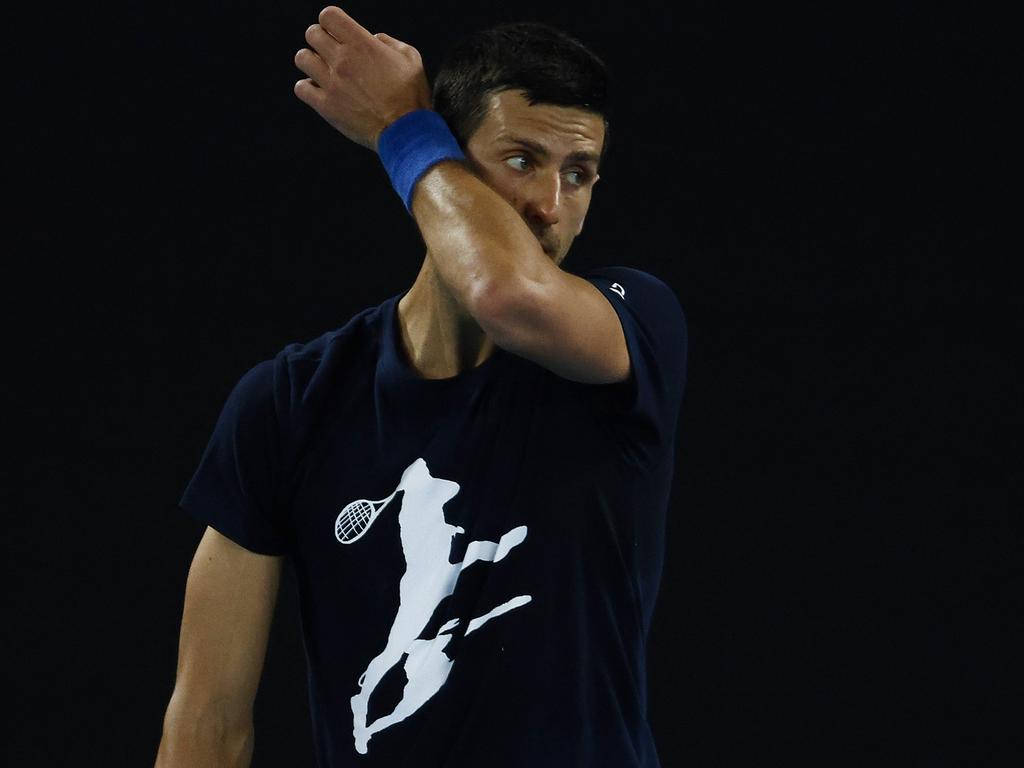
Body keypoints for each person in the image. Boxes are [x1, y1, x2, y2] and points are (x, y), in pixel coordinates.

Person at [155, 6, 687, 767]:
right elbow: (205, 726)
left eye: (579, 174)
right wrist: (415, 132)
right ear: (450, 159)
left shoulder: (634, 329)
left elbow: (506, 295)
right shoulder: (287, 404)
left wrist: (397, 127)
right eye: (521, 159)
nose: (551, 205)